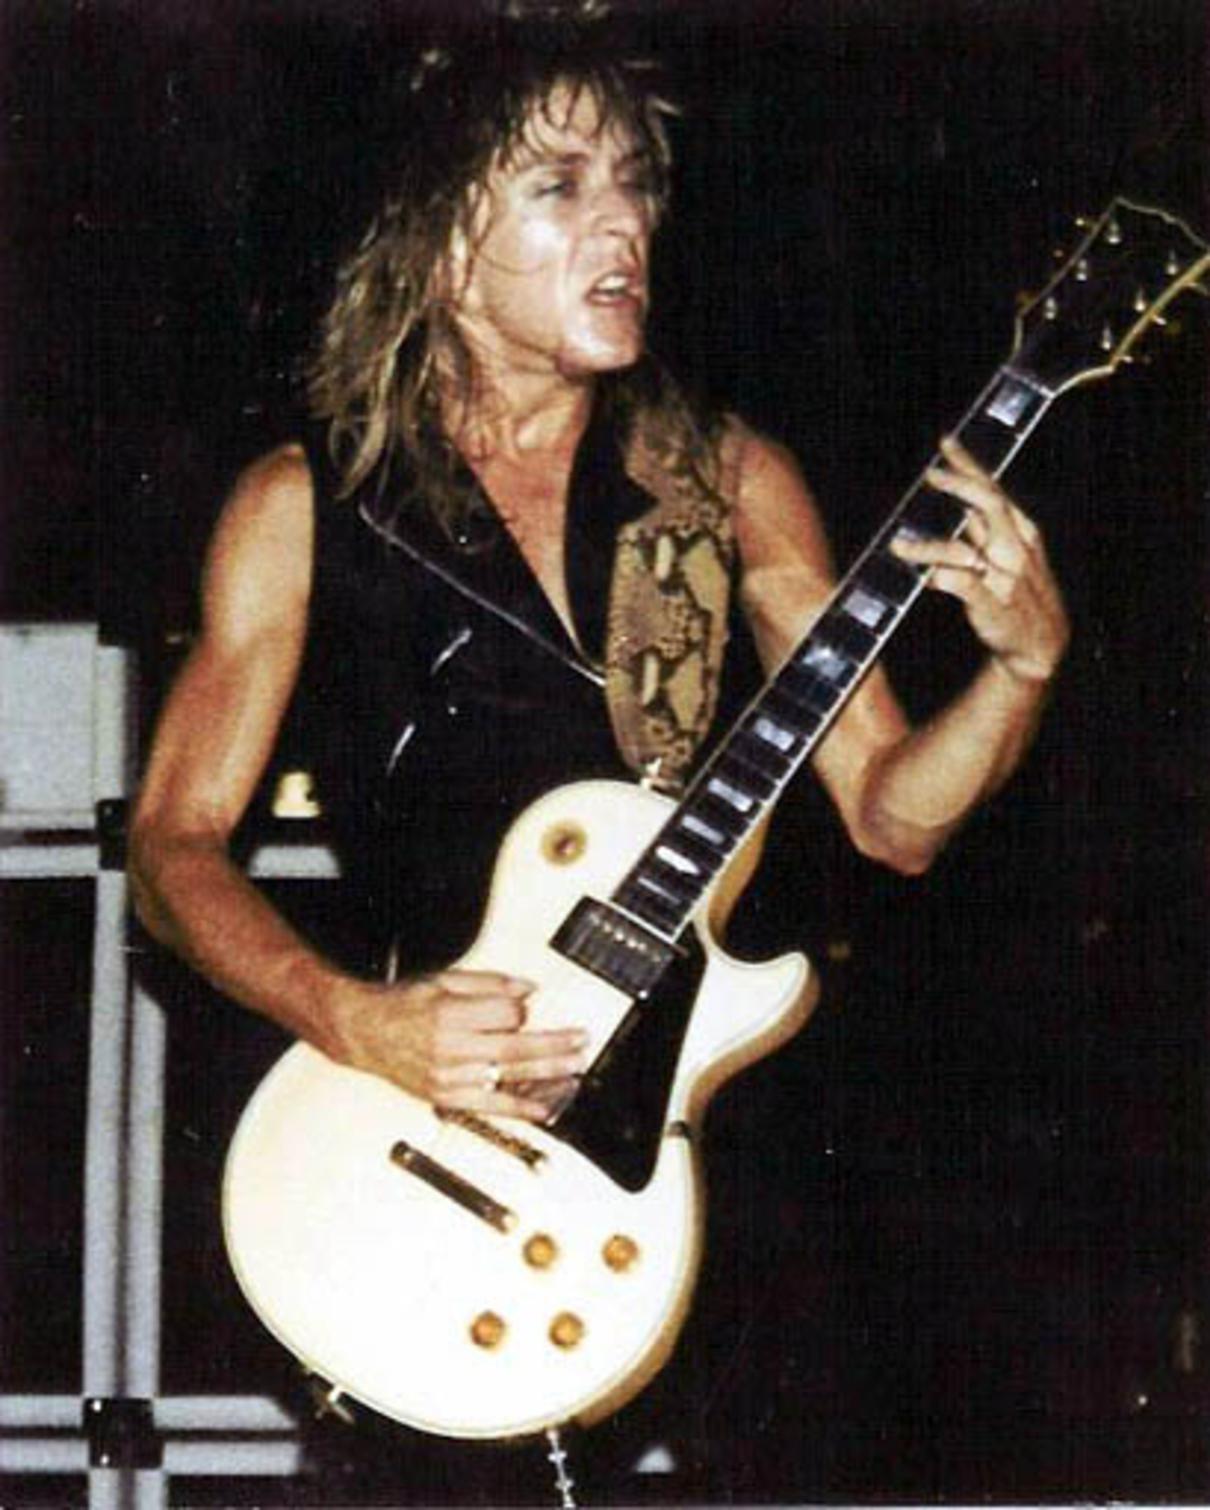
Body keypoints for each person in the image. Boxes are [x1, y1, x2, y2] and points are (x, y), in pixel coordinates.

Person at [129, 18, 1066, 1228]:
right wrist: (351, 1017)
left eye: (632, 183)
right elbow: (169, 848)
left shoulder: (727, 478)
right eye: (560, 187)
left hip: (710, 1127)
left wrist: (1020, 669)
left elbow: (892, 818)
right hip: (423, 1139)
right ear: (442, 246)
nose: (622, 224)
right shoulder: (300, 505)